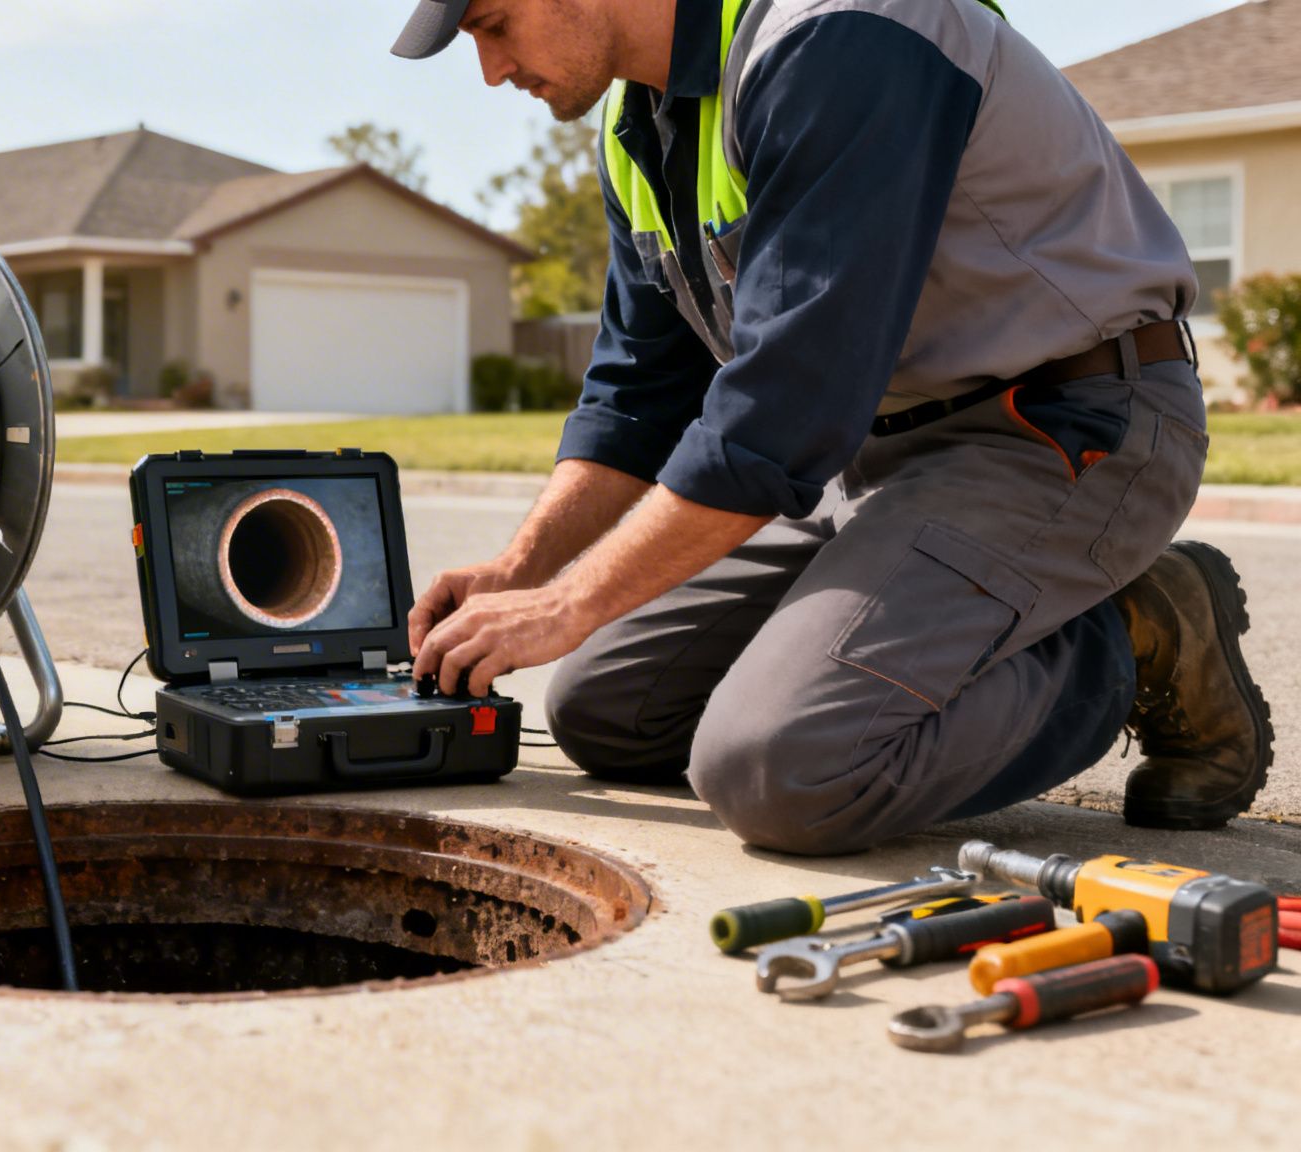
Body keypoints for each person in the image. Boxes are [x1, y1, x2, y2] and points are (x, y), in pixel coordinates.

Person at [394, 0, 1273, 854]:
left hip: (1063, 427)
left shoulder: (845, 34)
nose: (492, 70)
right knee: (609, 709)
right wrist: (522, 573)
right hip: (872, 454)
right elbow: (638, 392)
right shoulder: (638, 126)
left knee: (782, 772)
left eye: (494, 25)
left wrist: (571, 601)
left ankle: (1134, 634)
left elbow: (781, 411)